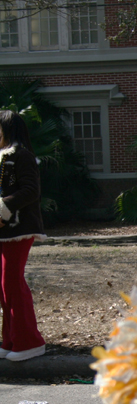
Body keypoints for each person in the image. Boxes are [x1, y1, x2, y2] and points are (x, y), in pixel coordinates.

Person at [0, 111, 47, 362]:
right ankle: (11, 340)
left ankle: (30, 342)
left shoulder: (22, 155)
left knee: (11, 284)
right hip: (4, 231)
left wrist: (3, 208)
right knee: (3, 287)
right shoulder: (2, 156)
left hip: (19, 229)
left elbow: (31, 191)